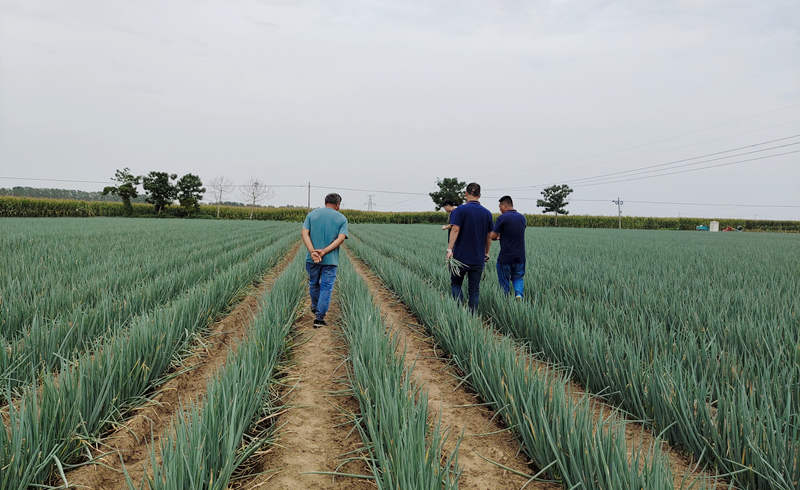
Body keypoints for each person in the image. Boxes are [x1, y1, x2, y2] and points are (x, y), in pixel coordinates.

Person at [301, 193, 348, 327]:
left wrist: (312, 251)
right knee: (326, 287)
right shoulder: (342, 218)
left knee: (313, 283)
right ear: (338, 205)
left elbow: (304, 233)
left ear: (325, 202)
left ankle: (315, 307)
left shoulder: (312, 215)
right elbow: (341, 238)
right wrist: (324, 251)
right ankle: (319, 318)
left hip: (312, 259)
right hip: (330, 260)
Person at [446, 183, 492, 313]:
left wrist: (449, 249)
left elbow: (455, 229)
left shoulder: (459, 210)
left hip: (459, 258)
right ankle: (472, 318)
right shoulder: (487, 213)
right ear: (479, 195)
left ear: (466, 194)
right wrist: (486, 253)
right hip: (477, 259)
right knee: (474, 291)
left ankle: (460, 312)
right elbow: (489, 237)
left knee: (456, 284)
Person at [490, 195, 526, 299]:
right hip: (520, 256)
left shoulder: (502, 218)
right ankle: (519, 295)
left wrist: (495, 236)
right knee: (518, 277)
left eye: (500, 207)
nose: (500, 209)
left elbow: (493, 236)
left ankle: (505, 299)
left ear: (504, 205)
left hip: (505, 256)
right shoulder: (522, 218)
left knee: (504, 280)